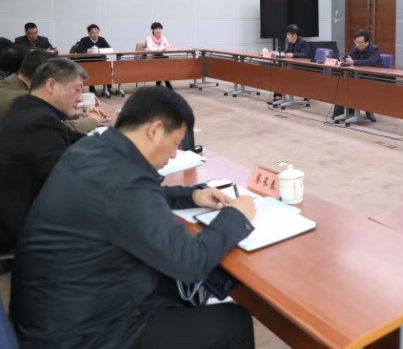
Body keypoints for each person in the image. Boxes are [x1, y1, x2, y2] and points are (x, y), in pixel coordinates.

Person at [10, 87, 256, 348]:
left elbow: (131, 199)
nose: (174, 154)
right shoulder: (125, 181)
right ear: (155, 130)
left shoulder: (94, 149)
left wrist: (192, 195)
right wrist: (235, 215)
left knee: (168, 285)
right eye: (175, 143)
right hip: (81, 336)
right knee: (232, 321)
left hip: (52, 314)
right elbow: (191, 264)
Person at [0, 58, 88, 253]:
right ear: (51, 85)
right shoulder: (38, 120)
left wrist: (120, 143)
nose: (80, 98)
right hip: (22, 232)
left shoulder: (28, 107)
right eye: (77, 89)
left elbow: (74, 138)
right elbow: (66, 181)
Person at [0, 49, 107, 131]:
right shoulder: (21, 101)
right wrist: (92, 120)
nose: (80, 99)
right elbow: (57, 128)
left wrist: (80, 116)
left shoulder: (9, 87)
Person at [333, 30, 383, 119]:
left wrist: (354, 62)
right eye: (356, 42)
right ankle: (347, 111)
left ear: (367, 42)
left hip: (375, 79)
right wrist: (342, 59)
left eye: (360, 42)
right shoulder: (355, 49)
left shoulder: (374, 49)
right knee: (345, 85)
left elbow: (371, 62)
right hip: (360, 76)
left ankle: (368, 110)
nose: (358, 44)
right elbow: (347, 56)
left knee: (359, 87)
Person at [271, 24, 312, 104]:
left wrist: (293, 54)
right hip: (293, 66)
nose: (287, 36)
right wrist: (277, 54)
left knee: (284, 72)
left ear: (294, 35)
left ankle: (280, 95)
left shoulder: (303, 42)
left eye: (288, 34)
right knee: (279, 71)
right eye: (287, 34)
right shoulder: (290, 43)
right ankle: (278, 96)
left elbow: (306, 54)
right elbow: (286, 53)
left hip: (301, 68)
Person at [76, 23, 114, 97]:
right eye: (93, 32)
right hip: (88, 61)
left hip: (100, 60)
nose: (95, 34)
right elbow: (79, 50)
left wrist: (99, 50)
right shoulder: (84, 40)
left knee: (107, 67)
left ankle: (108, 88)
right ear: (89, 33)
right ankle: (92, 88)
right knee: (91, 69)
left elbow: (109, 48)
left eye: (97, 32)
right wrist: (90, 50)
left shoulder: (101, 39)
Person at [146, 21, 172, 89]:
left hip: (162, 57)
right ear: (153, 30)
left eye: (160, 29)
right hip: (153, 57)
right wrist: (161, 48)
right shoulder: (149, 38)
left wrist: (160, 48)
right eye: (157, 29)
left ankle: (159, 83)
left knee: (163, 65)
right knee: (160, 65)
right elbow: (151, 48)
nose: (158, 30)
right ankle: (166, 83)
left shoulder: (164, 38)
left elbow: (167, 46)